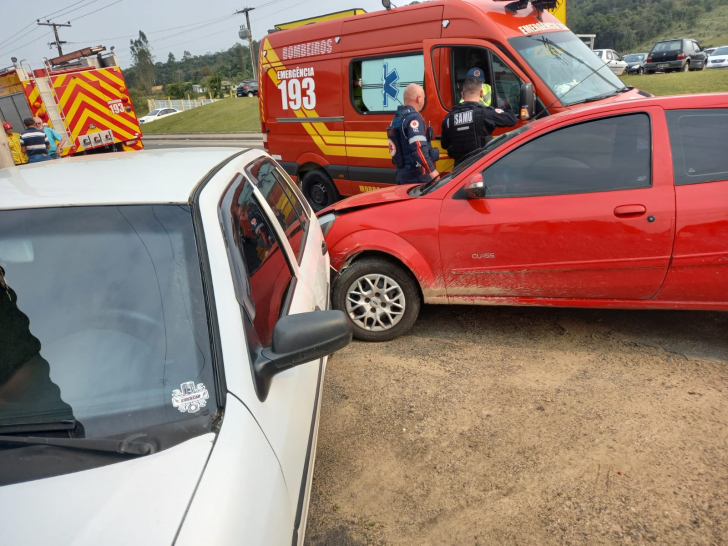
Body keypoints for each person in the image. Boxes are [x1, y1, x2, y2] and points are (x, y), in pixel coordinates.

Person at [441, 77, 518, 164]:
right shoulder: (485, 113)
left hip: (460, 172)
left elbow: (444, 144)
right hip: (481, 168)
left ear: (462, 95)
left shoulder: (449, 118)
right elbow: (512, 119)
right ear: (481, 93)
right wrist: (499, 108)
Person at [387, 83, 439, 185]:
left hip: (402, 173)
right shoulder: (414, 117)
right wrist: (432, 171)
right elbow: (418, 148)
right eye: (423, 98)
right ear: (419, 98)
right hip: (417, 176)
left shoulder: (397, 118)